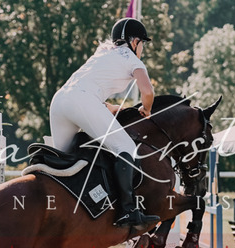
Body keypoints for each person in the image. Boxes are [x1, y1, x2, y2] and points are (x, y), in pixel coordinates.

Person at [49, 18, 159, 230]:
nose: (142, 49)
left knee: (62, 161)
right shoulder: (132, 59)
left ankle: (58, 211)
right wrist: (147, 109)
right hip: (82, 101)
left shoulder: (102, 54)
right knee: (126, 148)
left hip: (59, 101)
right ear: (134, 41)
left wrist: (114, 108)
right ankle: (127, 211)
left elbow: (87, 95)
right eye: (142, 44)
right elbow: (148, 92)